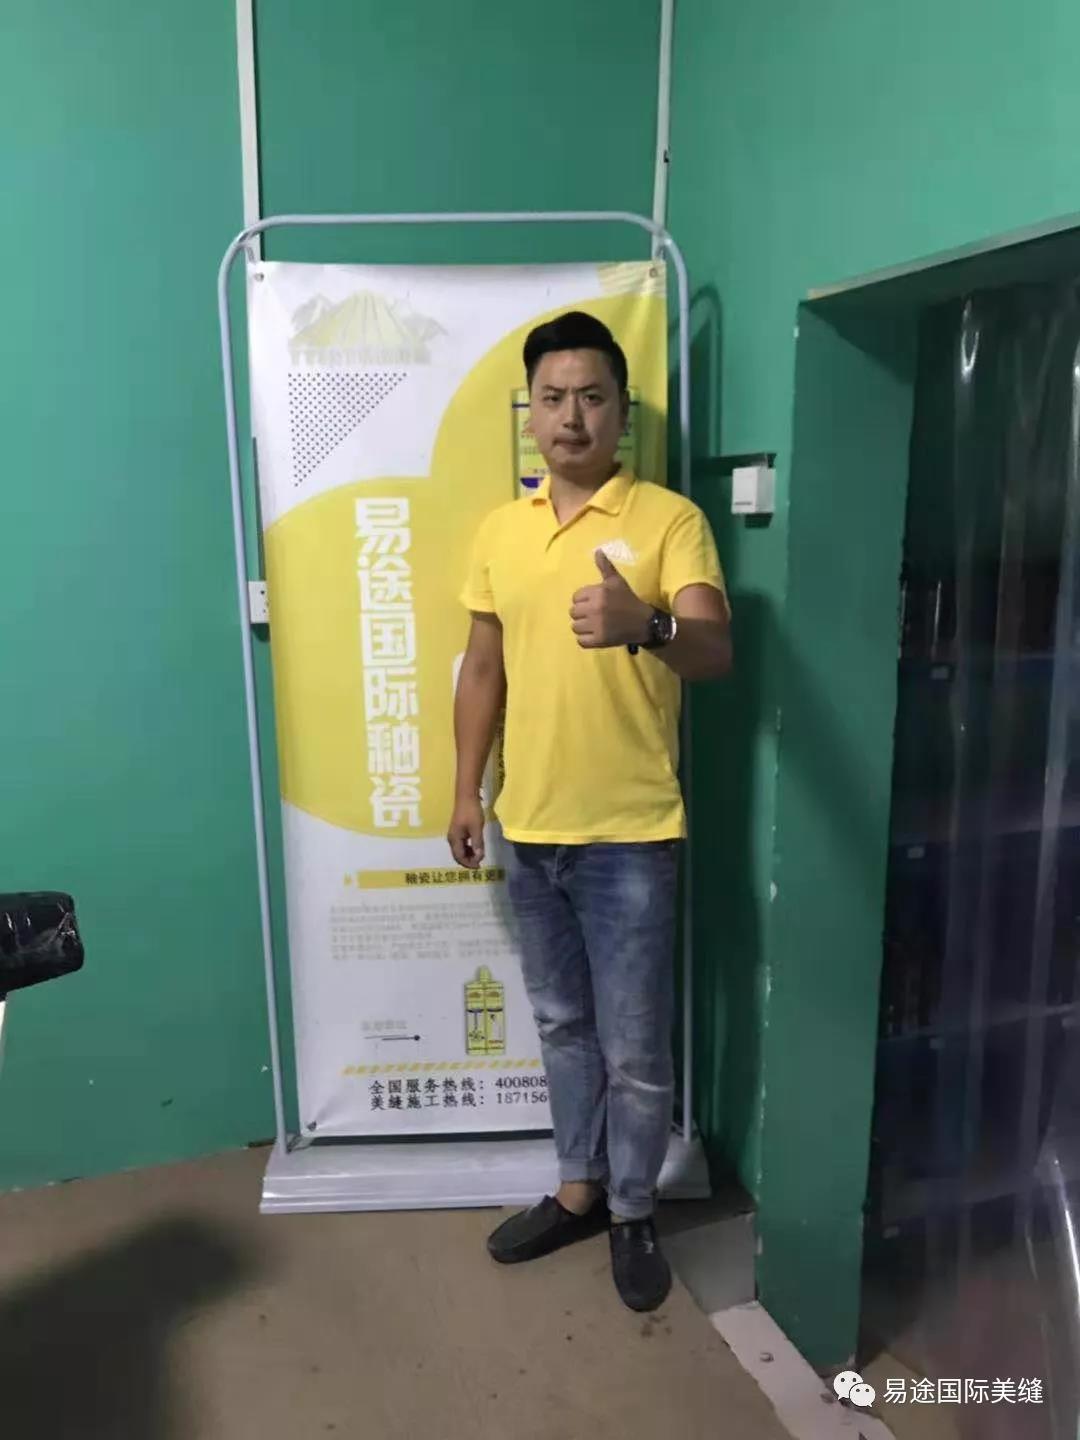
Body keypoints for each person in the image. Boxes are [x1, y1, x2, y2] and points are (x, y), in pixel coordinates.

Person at [448, 311, 732, 1312]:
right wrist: (465, 789)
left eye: (593, 397)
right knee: (563, 1024)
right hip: (529, 829)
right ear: (530, 415)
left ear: (623, 411)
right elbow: (483, 668)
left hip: (632, 837)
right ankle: (577, 1189)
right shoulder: (501, 530)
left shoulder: (669, 520)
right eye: (553, 398)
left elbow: (714, 652)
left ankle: (632, 1211)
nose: (572, 416)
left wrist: (643, 622)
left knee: (636, 1049)